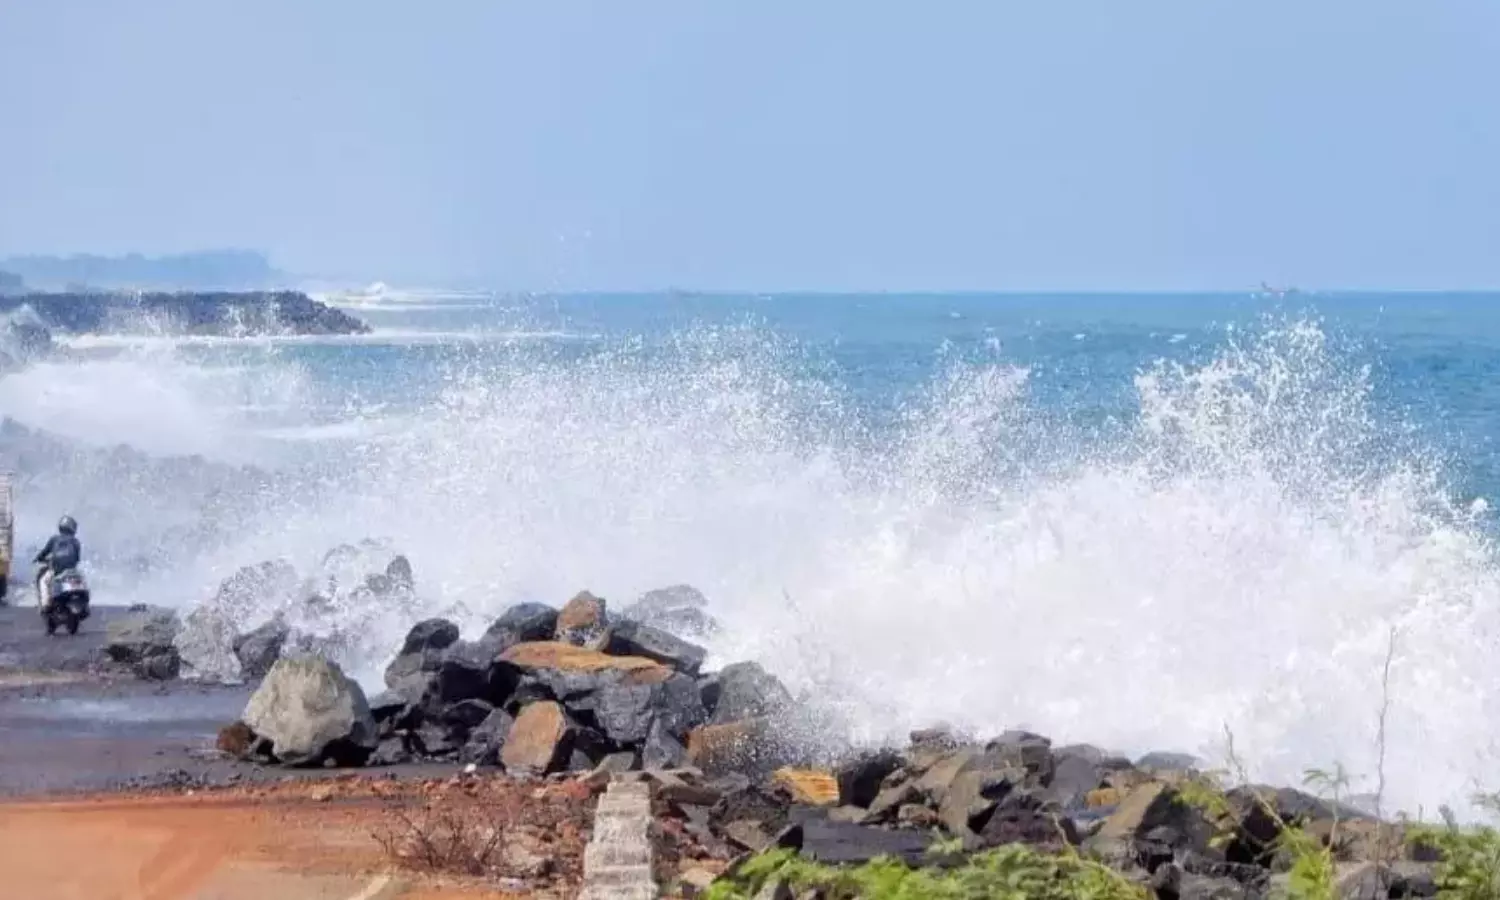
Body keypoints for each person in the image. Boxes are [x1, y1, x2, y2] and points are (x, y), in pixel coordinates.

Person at [34, 515, 80, 607]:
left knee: (43, 581)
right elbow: (77, 558)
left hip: (57, 571)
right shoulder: (75, 541)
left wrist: (37, 558)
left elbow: (44, 552)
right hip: (71, 571)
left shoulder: (54, 539)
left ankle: (45, 603)